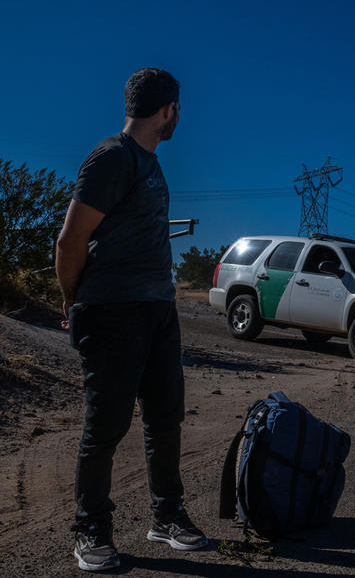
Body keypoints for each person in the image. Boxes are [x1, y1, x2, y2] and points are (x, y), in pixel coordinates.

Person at [56, 68, 207, 572]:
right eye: (178, 110)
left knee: (166, 420)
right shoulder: (113, 157)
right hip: (112, 311)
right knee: (107, 426)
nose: (178, 118)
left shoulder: (149, 162)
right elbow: (69, 240)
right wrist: (73, 298)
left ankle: (166, 518)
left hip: (158, 309)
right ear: (169, 111)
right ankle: (91, 530)